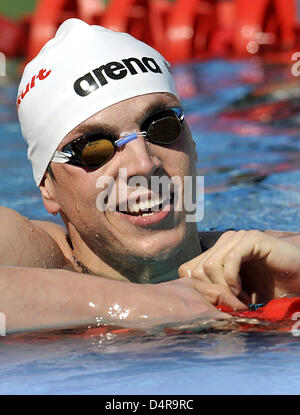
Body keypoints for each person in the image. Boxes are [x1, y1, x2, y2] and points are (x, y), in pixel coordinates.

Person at [1, 19, 300, 334]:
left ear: (193, 142)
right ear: (48, 187)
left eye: (162, 127)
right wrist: (145, 304)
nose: (144, 164)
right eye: (94, 148)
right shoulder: (32, 251)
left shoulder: (267, 261)